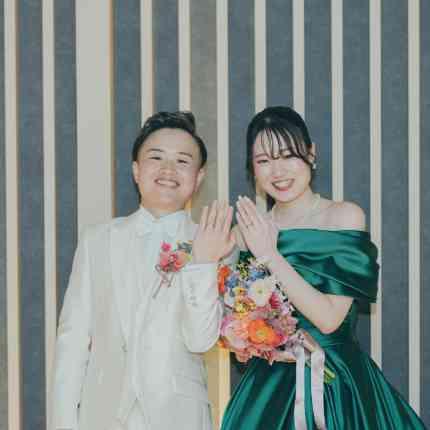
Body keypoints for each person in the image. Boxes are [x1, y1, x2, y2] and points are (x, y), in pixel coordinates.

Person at [221, 106, 427, 429]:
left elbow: (329, 320)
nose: (278, 171)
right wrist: (243, 340)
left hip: (334, 383)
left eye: (288, 155)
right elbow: (237, 324)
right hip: (266, 390)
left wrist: (270, 255)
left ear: (311, 153)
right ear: (253, 169)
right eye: (264, 161)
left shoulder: (343, 217)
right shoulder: (245, 232)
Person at [50, 111, 235, 430]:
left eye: (182, 161)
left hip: (179, 418)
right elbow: (72, 341)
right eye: (156, 157)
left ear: (199, 177)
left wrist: (205, 263)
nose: (168, 169)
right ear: (136, 170)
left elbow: (201, 340)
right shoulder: (97, 240)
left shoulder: (218, 242)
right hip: (102, 416)